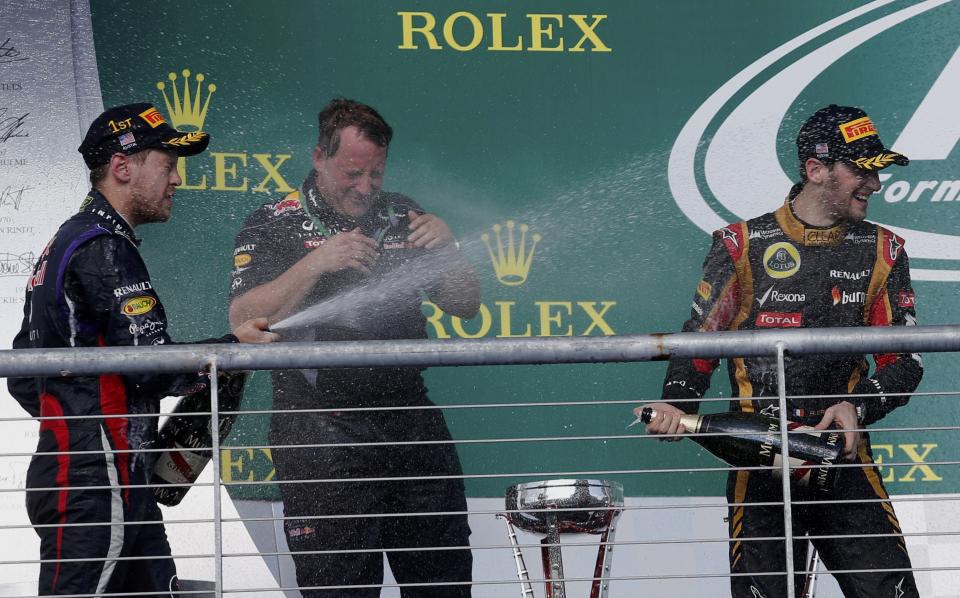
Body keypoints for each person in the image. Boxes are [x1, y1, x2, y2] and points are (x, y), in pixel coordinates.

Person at [638, 105, 923, 598]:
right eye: (862, 170)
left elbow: (906, 361)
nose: (874, 184)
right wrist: (679, 406)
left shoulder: (885, 251)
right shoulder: (741, 245)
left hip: (843, 455)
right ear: (816, 171)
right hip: (759, 454)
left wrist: (857, 405)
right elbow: (700, 342)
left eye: (876, 171)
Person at [7, 103, 276, 596]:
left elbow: (27, 375)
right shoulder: (104, 247)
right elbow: (153, 368)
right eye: (167, 164)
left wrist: (84, 418)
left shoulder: (69, 241)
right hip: (97, 485)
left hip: (104, 478)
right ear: (123, 167)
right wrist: (233, 349)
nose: (177, 180)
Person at [228, 98, 480, 597]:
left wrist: (451, 251)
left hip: (410, 420)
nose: (365, 188)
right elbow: (242, 320)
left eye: (376, 174)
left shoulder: (402, 214)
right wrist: (316, 263)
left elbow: (464, 305)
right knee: (341, 590)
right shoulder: (274, 221)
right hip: (321, 426)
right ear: (319, 157)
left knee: (443, 585)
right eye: (352, 173)